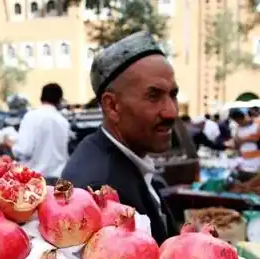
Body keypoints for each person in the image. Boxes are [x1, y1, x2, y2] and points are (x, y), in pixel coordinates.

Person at [61, 31, 177, 244]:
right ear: (112, 106)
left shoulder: (117, 160)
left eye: (173, 95)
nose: (171, 112)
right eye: (154, 96)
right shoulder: (100, 190)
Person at [13, 83, 70, 184]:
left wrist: (11, 146)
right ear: (59, 100)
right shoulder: (63, 122)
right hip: (59, 181)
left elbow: (24, 150)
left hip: (35, 180)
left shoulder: (31, 117)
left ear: (41, 97)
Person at [228, 108, 260, 180]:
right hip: (244, 161)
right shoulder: (238, 127)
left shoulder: (257, 124)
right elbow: (236, 144)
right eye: (236, 121)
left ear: (245, 117)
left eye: (239, 120)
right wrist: (236, 143)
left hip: (257, 161)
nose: (238, 123)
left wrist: (246, 140)